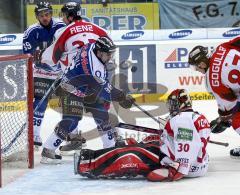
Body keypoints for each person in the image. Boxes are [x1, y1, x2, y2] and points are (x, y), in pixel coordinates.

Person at [40, 2, 118, 164]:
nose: (62, 19)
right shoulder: (97, 29)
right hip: (91, 77)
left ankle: (49, 150)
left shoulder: (63, 31)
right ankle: (112, 144)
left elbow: (51, 58)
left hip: (73, 79)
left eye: (63, 16)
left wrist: (53, 64)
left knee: (72, 118)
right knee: (101, 113)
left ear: (69, 16)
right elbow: (109, 52)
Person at [75, 89, 210, 181]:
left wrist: (174, 171)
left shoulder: (182, 119)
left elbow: (184, 145)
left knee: (133, 153)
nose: (171, 107)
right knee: (150, 140)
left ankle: (88, 163)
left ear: (179, 104)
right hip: (199, 164)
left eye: (173, 104)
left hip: (181, 166)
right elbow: (192, 143)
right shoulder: (196, 117)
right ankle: (143, 146)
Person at [22, 1, 65, 147]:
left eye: (47, 14)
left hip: (61, 71)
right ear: (37, 16)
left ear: (51, 14)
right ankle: (34, 135)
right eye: (41, 15)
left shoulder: (61, 27)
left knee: (68, 101)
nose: (44, 17)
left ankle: (72, 133)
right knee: (40, 102)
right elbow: (28, 57)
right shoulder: (31, 31)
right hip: (42, 73)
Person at [188, 39, 240, 159]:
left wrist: (223, 120)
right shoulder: (222, 47)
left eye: (196, 67)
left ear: (201, 64)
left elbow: (229, 107)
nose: (197, 70)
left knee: (236, 119)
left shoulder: (211, 80)